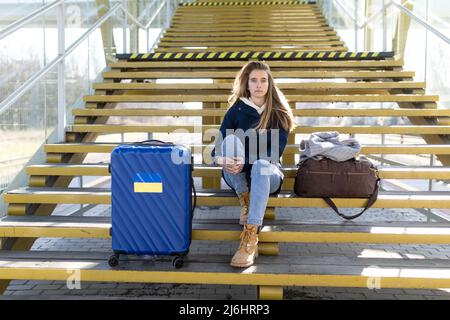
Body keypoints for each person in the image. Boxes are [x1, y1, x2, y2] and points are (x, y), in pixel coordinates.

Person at [211, 61, 296, 268]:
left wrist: (245, 163)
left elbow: (272, 156)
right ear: (247, 84)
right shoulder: (236, 111)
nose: (259, 85)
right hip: (237, 175)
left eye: (263, 80)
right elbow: (216, 152)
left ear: (269, 84)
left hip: (268, 174)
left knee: (259, 164)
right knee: (230, 143)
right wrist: (225, 160)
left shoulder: (279, 112)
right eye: (254, 80)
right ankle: (246, 198)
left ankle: (250, 236)